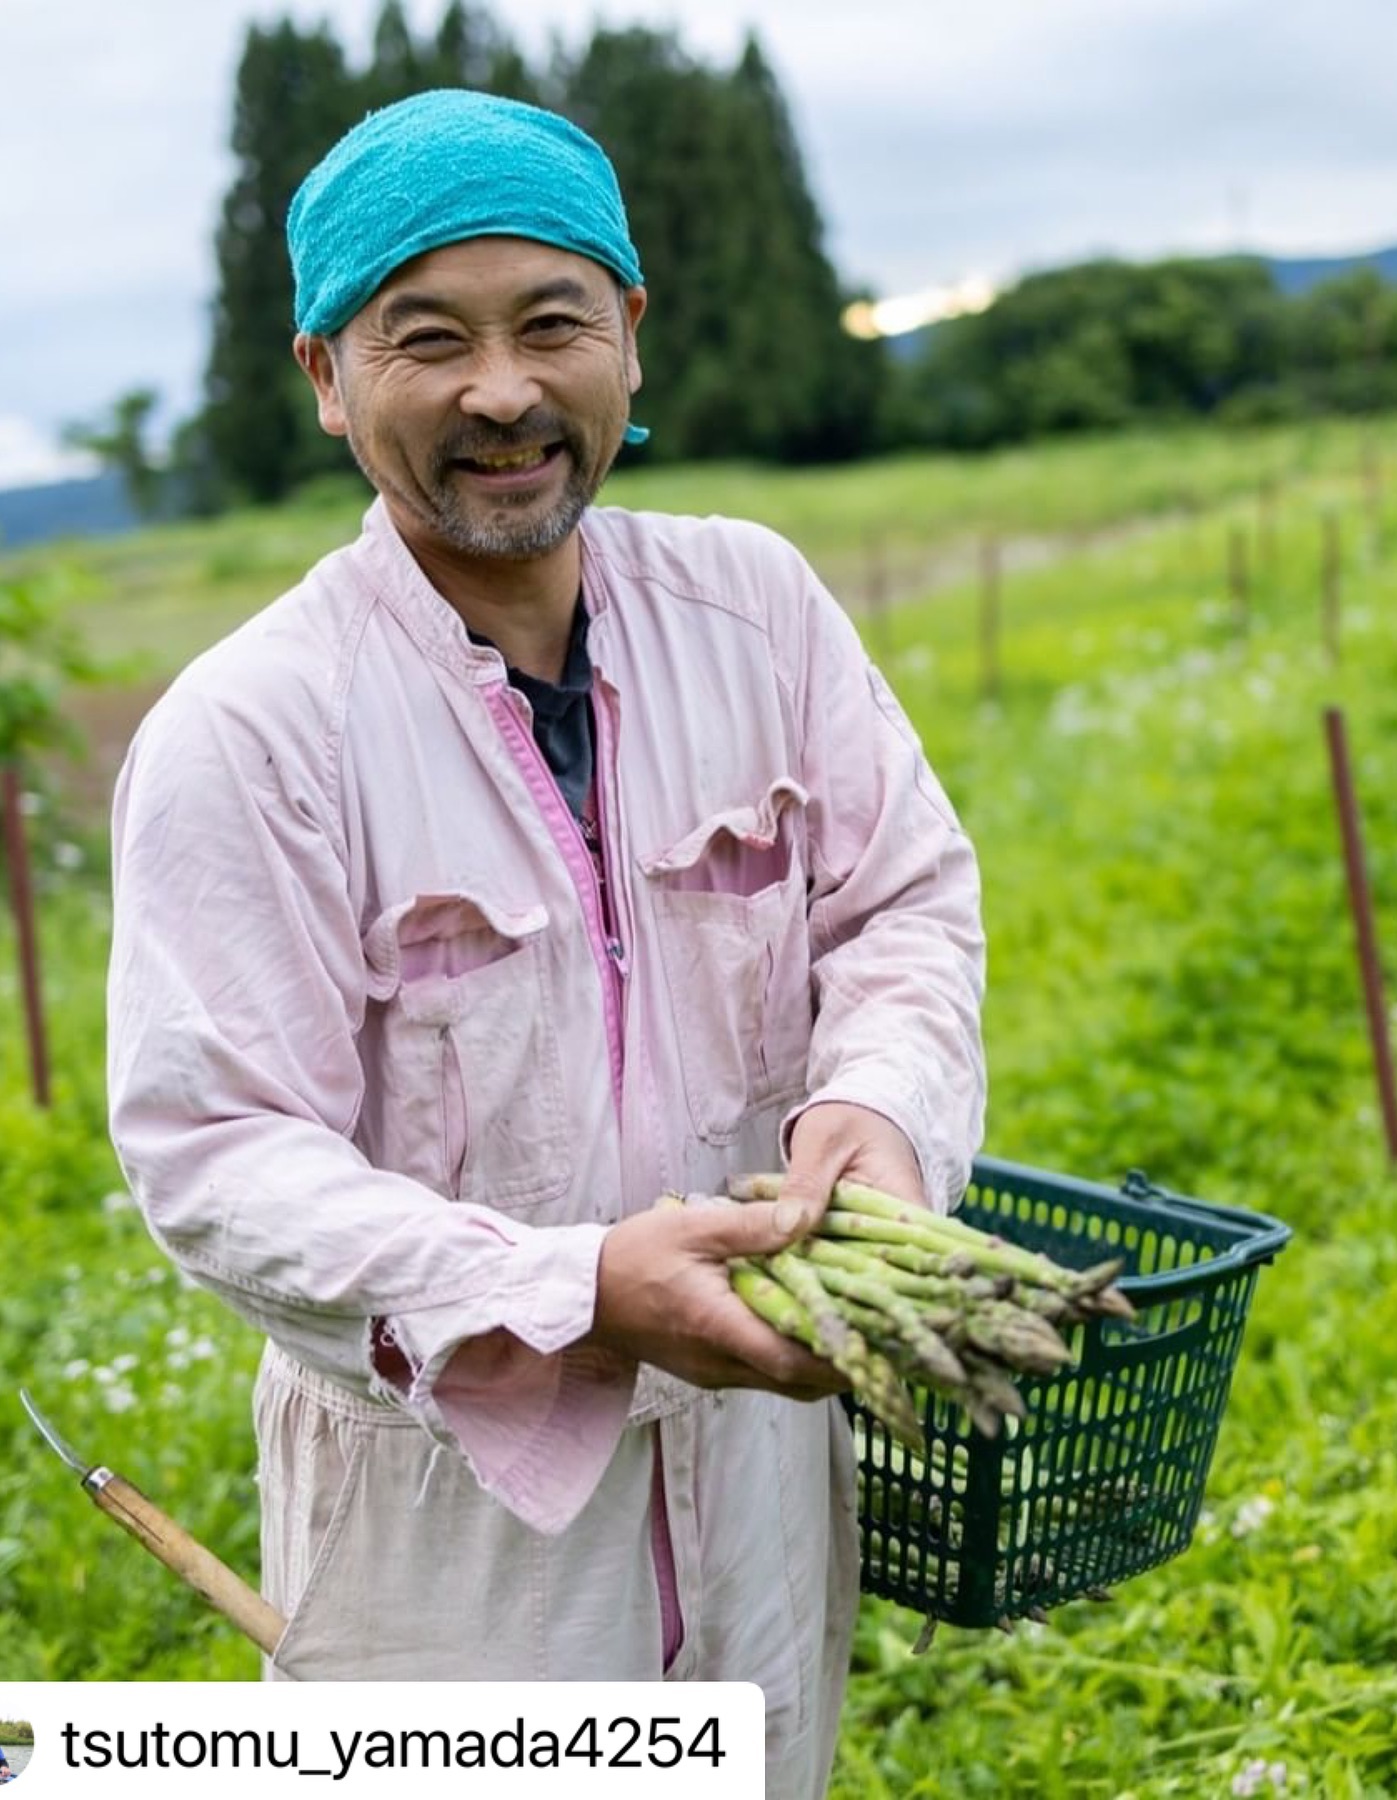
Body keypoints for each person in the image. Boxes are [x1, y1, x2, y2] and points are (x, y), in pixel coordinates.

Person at [107, 89, 984, 1798]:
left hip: (754, 1453)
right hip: (458, 1507)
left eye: (552, 322)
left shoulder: (762, 611)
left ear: (632, 340)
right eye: (424, 338)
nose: (500, 391)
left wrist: (873, 1115)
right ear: (325, 379)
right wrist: (571, 1291)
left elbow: (900, 909)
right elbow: (217, 1155)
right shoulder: (256, 733)